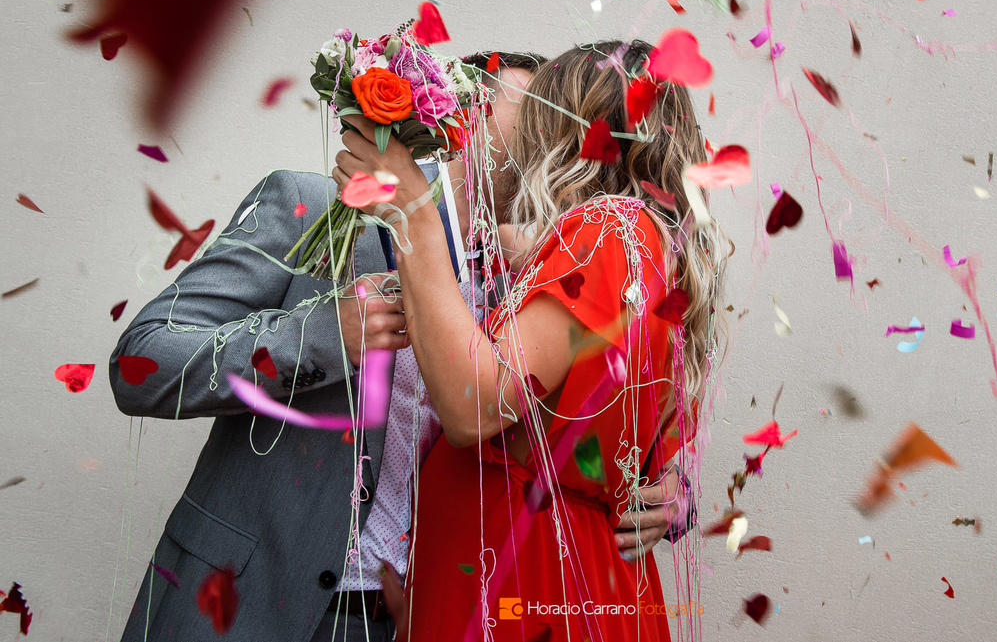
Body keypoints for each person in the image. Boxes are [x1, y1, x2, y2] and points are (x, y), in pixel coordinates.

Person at [109, 50, 687, 642]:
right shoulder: (309, 206)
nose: (557, 136)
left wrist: (669, 493)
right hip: (242, 602)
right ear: (471, 116)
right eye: (538, 114)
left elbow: (603, 421)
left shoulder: (546, 277)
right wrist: (321, 336)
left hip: (414, 618)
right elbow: (141, 362)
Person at [332, 39, 724, 641]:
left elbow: (472, 405)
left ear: (569, 132)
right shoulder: (646, 247)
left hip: (524, 579)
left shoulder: (603, 232)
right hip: (552, 573)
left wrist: (412, 211)